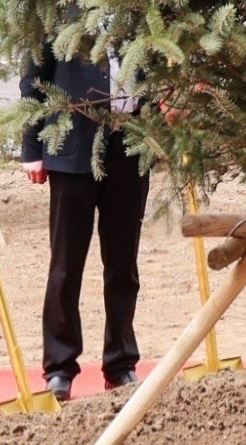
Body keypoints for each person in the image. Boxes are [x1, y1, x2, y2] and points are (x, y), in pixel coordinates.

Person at [21, 38, 156, 391]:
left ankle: (121, 362)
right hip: (70, 147)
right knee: (66, 265)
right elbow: (33, 75)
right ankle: (60, 368)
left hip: (129, 145)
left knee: (123, 264)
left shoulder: (136, 1)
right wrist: (32, 147)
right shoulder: (61, 1)